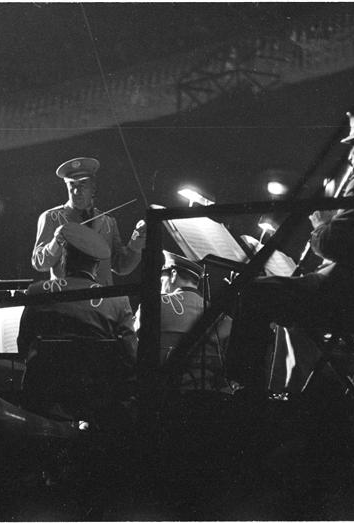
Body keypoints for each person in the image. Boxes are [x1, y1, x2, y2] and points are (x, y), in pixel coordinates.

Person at [225, 112, 354, 393]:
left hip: (350, 302)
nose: (350, 158)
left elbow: (333, 245)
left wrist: (321, 225)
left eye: (353, 148)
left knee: (254, 292)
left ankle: (245, 391)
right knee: (278, 295)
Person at [19, 222, 137, 419]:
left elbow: (24, 344)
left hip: (44, 401)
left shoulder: (37, 292)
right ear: (96, 266)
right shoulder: (117, 300)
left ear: (64, 259)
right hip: (97, 404)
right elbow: (130, 356)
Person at [31, 157, 146, 286]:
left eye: (83, 184)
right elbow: (38, 263)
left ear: (93, 187)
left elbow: (121, 266)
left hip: (101, 297)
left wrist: (137, 239)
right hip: (67, 296)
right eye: (72, 184)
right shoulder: (52, 218)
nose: (76, 191)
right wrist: (55, 243)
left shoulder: (107, 221)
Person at [134, 251, 232, 391]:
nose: (161, 285)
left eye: (162, 279)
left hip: (162, 394)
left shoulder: (154, 305)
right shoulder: (222, 318)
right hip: (207, 396)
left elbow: (133, 349)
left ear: (173, 274)